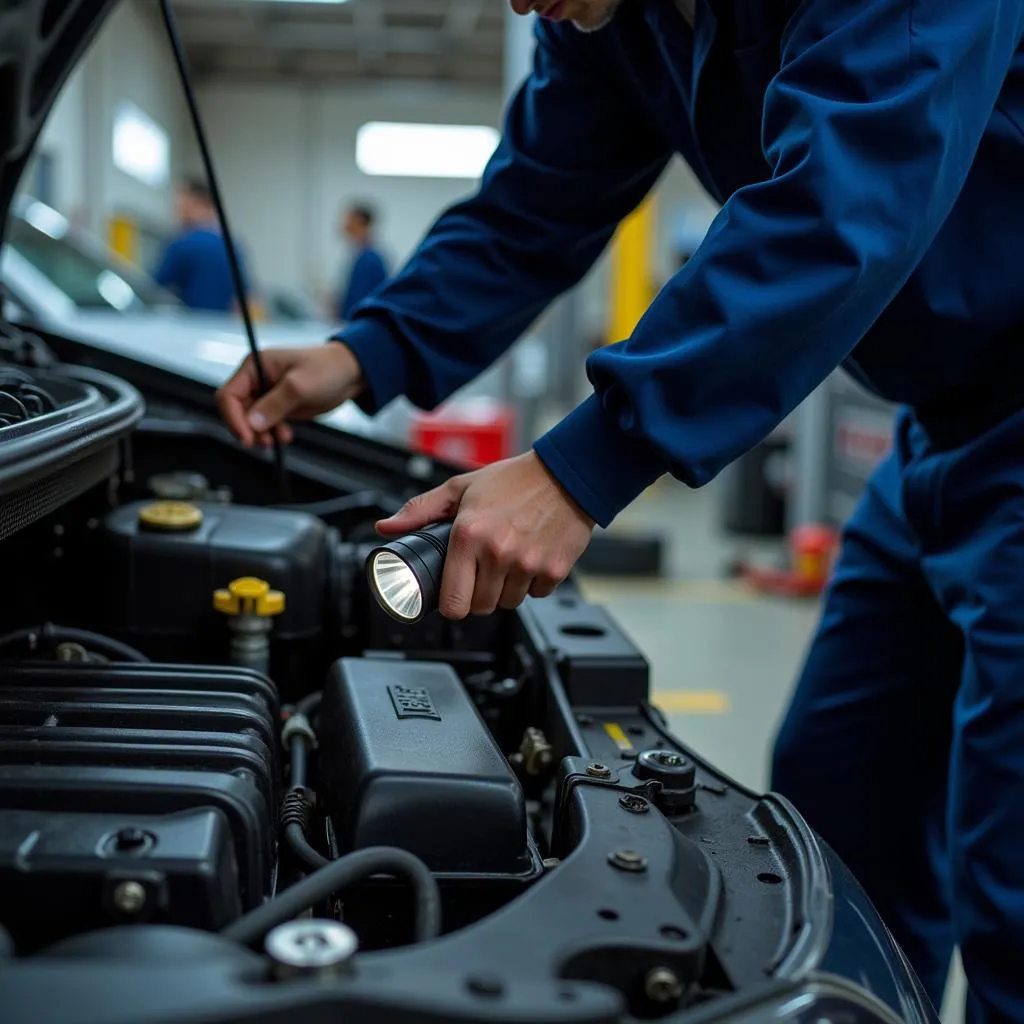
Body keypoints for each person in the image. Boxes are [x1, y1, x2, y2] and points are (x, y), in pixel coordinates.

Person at [218, 3, 1024, 1018]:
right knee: (840, 807)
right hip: (939, 429)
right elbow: (534, 204)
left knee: (1014, 880)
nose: (515, 2)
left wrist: (580, 469)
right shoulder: (612, 17)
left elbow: (846, 201)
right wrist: (363, 350)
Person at [155, 178, 248, 313]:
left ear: (195, 202)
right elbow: (246, 296)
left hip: (190, 325)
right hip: (224, 327)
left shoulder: (182, 244)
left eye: (180, 204)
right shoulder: (233, 245)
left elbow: (154, 287)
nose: (177, 210)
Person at [337, 203, 389, 321]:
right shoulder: (359, 255)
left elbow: (360, 300)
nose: (344, 224)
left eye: (349, 219)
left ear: (359, 220)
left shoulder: (369, 259)